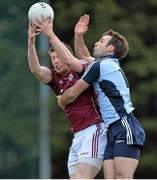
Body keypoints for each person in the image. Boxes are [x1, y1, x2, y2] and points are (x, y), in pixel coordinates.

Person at [56, 24, 145, 178]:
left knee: (123, 176)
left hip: (124, 124)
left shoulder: (101, 65)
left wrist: (62, 101)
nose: (96, 43)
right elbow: (83, 58)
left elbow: (72, 93)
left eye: (102, 41)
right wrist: (78, 35)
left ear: (110, 49)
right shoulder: (104, 65)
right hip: (111, 129)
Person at [27, 20, 107, 179]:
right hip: (77, 136)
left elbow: (71, 60)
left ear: (65, 54)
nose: (56, 62)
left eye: (58, 57)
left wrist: (50, 34)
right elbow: (36, 70)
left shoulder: (80, 68)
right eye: (52, 59)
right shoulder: (54, 78)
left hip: (94, 129)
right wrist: (31, 43)